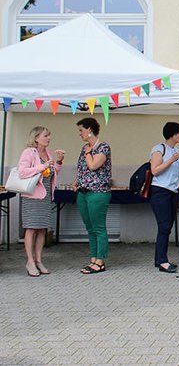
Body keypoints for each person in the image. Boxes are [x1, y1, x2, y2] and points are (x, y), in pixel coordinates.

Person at [17, 126, 64, 277]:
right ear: (36, 138)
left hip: (45, 196)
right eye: (45, 135)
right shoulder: (29, 152)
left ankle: (38, 260)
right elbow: (22, 172)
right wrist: (42, 166)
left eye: (49, 135)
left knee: (42, 229)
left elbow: (53, 172)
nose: (48, 138)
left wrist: (59, 162)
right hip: (32, 196)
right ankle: (30, 261)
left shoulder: (48, 153)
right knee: (31, 228)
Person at [75, 117, 112, 274]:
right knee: (90, 228)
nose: (80, 134)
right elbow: (82, 168)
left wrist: (89, 152)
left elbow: (93, 165)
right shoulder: (84, 148)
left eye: (81, 130)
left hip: (98, 192)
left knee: (99, 227)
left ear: (89, 130)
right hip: (83, 192)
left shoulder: (103, 147)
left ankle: (100, 260)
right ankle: (93, 258)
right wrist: (76, 182)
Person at [149, 122, 179, 273]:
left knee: (168, 226)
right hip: (160, 190)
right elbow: (155, 170)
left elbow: (177, 173)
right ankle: (162, 260)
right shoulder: (159, 149)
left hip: (172, 191)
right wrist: (170, 160)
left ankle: (160, 258)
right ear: (172, 134)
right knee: (164, 226)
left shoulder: (176, 151)